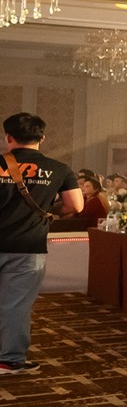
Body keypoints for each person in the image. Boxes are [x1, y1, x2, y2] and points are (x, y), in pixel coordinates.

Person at [0, 112, 80, 374]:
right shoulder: (59, 169)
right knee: (16, 305)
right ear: (42, 138)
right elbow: (76, 205)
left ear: (8, 137)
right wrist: (47, 209)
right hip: (28, 246)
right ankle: (10, 360)